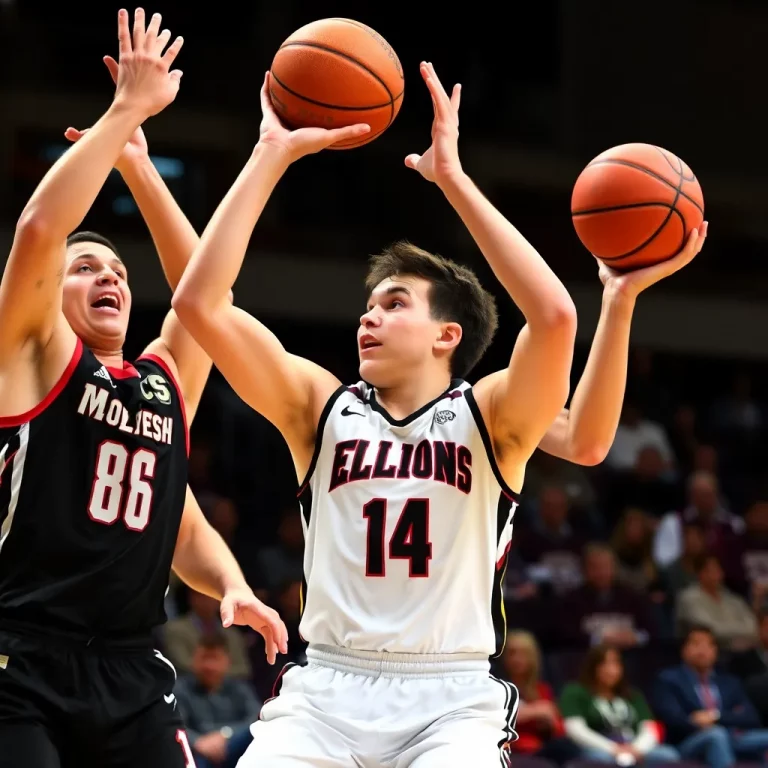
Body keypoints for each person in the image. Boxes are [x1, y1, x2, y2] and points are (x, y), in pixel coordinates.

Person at [174, 60, 578, 766]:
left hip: (448, 697)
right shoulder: (318, 406)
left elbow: (553, 316)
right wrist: (269, 154)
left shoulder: (492, 417)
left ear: (447, 335)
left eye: (395, 304)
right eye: (368, 304)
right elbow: (199, 304)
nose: (370, 316)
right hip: (325, 688)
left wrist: (455, 181)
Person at [0, 10, 286, 768]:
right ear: (46, 297)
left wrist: (142, 170)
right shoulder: (30, 358)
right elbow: (37, 231)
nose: (111, 278)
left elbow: (203, 295)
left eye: (120, 273)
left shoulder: (162, 382)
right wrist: (123, 109)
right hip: (20, 656)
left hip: (129, 667)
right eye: (87, 269)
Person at [653, 626, 768, 768]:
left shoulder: (729, 681)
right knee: (716, 735)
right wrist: (700, 723)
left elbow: (750, 717)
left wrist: (716, 717)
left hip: (732, 736)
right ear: (684, 649)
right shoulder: (669, 679)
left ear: (716, 651)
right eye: (696, 644)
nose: (703, 650)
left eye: (709, 645)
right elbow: (673, 718)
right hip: (689, 741)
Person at [560, 644, 679, 764]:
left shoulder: (633, 695)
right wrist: (613, 749)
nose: (611, 670)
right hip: (597, 748)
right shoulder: (575, 692)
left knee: (667, 755)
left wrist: (636, 749)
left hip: (633, 746)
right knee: (600, 759)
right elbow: (576, 730)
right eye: (604, 664)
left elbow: (649, 729)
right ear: (592, 667)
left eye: (616, 663)